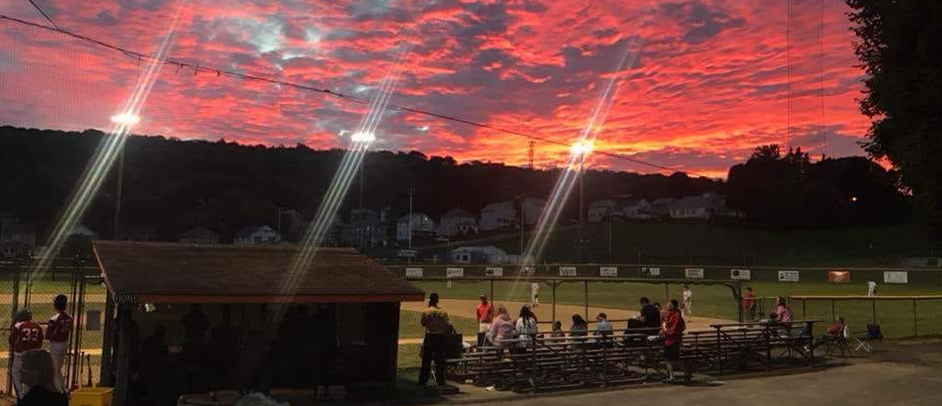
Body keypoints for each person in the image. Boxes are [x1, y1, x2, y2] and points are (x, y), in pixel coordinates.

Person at [9, 308, 43, 398]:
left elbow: (11, 340)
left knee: (16, 373)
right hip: (33, 355)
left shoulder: (18, 325)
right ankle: (28, 396)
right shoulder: (37, 325)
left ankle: (21, 395)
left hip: (20, 354)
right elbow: (40, 340)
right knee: (30, 375)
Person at [419, 293, 450, 386]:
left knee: (426, 361)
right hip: (439, 337)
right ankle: (441, 381)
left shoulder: (425, 311)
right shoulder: (443, 312)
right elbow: (447, 325)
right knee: (440, 361)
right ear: (437, 300)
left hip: (430, 336)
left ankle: (422, 381)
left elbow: (423, 323)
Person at [46, 294, 73, 391]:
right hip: (65, 343)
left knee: (54, 369)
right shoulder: (70, 317)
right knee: (57, 369)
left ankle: (60, 391)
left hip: (56, 344)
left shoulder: (54, 319)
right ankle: (63, 389)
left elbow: (48, 336)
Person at [661, 299, 690, 384]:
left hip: (673, 340)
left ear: (673, 306)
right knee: (667, 359)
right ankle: (671, 376)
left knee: (675, 360)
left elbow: (675, 328)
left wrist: (665, 330)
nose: (667, 306)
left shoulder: (677, 315)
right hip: (668, 340)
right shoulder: (671, 314)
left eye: (669, 304)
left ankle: (686, 374)